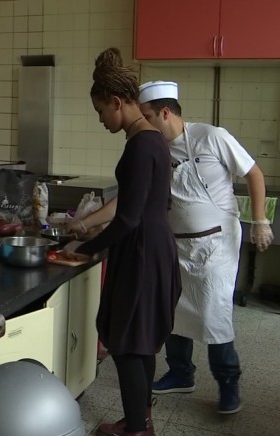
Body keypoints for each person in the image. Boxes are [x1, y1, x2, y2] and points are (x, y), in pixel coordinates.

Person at [62, 48, 181, 436]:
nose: (100, 120)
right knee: (141, 341)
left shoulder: (140, 145)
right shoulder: (151, 140)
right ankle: (139, 421)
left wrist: (83, 248)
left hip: (142, 252)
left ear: (117, 102)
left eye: (100, 112)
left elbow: (129, 217)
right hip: (153, 246)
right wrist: (91, 226)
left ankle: (135, 430)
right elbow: (139, 204)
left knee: (129, 343)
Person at [138, 81, 273, 414]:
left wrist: (260, 220)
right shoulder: (156, 147)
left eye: (146, 116)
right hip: (176, 245)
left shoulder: (212, 136)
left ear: (165, 112)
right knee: (174, 310)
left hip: (215, 246)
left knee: (213, 315)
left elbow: (253, 173)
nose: (142, 124)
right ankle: (181, 373)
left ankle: (229, 384)